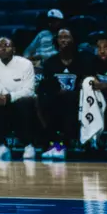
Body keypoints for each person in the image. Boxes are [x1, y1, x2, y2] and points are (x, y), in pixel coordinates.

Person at [0, 37, 42, 161]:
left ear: (14, 49)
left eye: (7, 45)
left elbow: (29, 90)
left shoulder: (25, 64)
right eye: (0, 46)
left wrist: (9, 97)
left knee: (24, 102)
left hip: (19, 99)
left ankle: (28, 146)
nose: (3, 48)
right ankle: (1, 146)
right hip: (0, 100)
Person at [39, 28, 91, 160]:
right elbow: (46, 85)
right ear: (56, 41)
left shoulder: (82, 61)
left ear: (73, 40)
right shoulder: (50, 62)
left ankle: (62, 145)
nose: (63, 40)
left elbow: (86, 83)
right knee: (48, 102)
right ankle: (54, 145)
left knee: (68, 99)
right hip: (56, 100)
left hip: (78, 100)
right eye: (60, 37)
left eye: (66, 37)